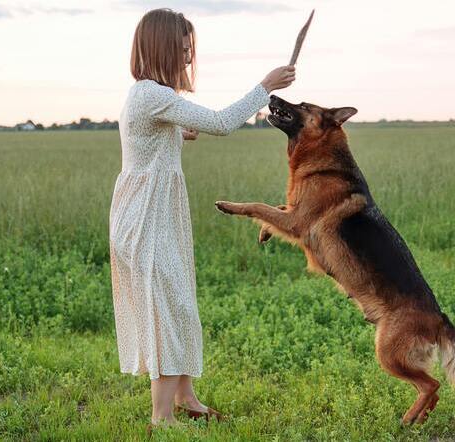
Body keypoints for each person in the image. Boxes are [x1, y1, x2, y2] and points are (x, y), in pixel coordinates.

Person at [108, 7, 295, 431]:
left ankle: (187, 397)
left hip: (155, 211)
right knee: (166, 308)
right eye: (184, 49)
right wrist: (265, 88)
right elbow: (222, 123)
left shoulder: (151, 97)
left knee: (181, 303)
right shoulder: (152, 95)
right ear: (162, 48)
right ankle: (162, 417)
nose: (189, 58)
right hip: (145, 216)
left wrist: (177, 133)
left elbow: (156, 134)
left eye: (190, 50)